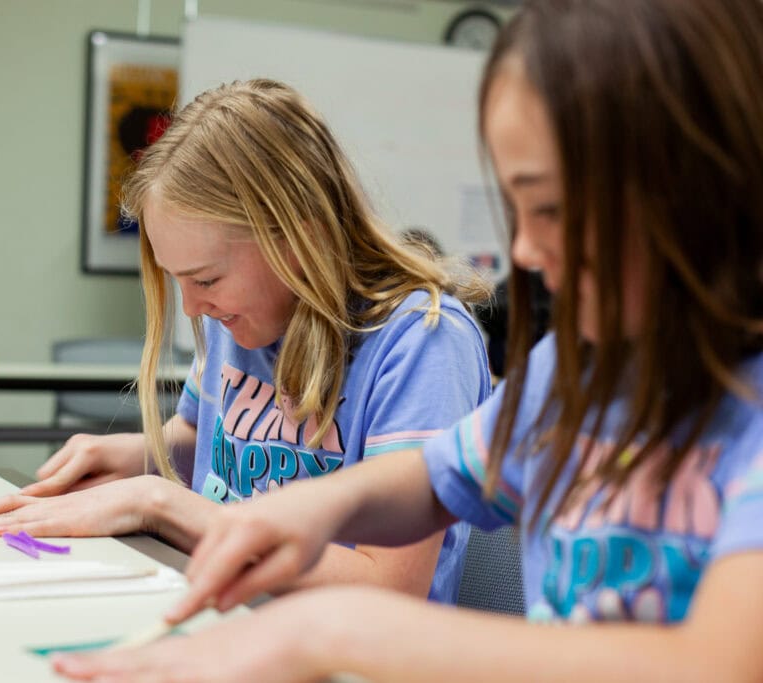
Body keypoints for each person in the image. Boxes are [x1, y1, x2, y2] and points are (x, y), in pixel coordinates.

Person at [47, 1, 763, 680]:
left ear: (705, 186)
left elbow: (720, 664)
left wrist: (333, 628)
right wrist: (311, 507)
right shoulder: (572, 375)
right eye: (517, 208)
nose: (526, 251)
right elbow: (433, 478)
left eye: (549, 209)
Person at [0, 79, 493, 605]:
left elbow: (387, 586)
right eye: (177, 280)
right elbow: (199, 430)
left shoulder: (423, 341)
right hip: (227, 611)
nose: (191, 308)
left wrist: (161, 502)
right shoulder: (241, 313)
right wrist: (136, 455)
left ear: (301, 238)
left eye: (206, 280)